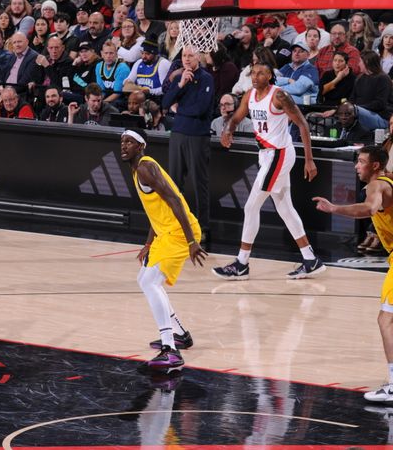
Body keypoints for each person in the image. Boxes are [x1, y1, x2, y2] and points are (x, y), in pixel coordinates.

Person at [214, 62, 326, 280]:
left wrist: (309, 160)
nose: (255, 76)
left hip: (279, 154)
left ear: (270, 76)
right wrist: (228, 129)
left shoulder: (280, 96)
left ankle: (241, 263)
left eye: (261, 73)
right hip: (266, 154)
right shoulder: (249, 95)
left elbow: (302, 124)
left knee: (250, 206)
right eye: (253, 73)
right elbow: (236, 118)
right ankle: (310, 260)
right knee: (285, 208)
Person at [120, 129, 206, 372]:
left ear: (141, 146)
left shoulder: (146, 168)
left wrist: (191, 241)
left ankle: (170, 350)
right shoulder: (138, 169)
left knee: (150, 282)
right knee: (143, 279)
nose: (124, 146)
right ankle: (180, 334)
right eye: (122, 142)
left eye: (130, 142)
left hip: (179, 232)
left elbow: (176, 200)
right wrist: (148, 244)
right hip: (165, 233)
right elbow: (155, 211)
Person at [313, 146, 393, 403]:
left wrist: (335, 208)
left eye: (361, 162)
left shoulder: (375, 186)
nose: (356, 166)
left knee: (386, 321)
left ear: (375, 166)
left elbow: (369, 209)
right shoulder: (389, 179)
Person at [163, 46, 215, 240]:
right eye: (184, 55)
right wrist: (181, 85)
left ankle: (203, 227)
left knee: (199, 182)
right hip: (178, 134)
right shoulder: (179, 78)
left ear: (198, 57)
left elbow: (200, 109)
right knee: (174, 183)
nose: (186, 59)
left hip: (198, 135)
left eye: (190, 55)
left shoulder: (206, 78)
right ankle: (177, 224)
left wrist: (179, 109)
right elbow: (165, 103)